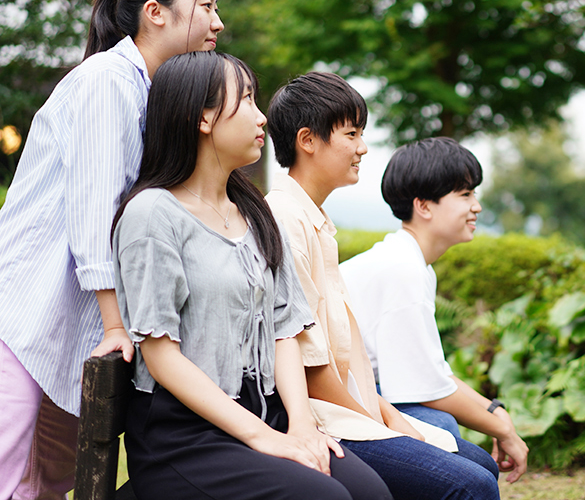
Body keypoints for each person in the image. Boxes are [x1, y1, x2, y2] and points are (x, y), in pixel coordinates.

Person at [111, 52, 392, 500]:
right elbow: (161, 356)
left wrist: (300, 427)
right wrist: (266, 439)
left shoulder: (253, 211)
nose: (261, 117)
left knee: (372, 494)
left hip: (267, 412)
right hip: (186, 437)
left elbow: (284, 329)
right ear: (203, 118)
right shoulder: (152, 214)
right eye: (245, 100)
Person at [0, 0, 224, 499]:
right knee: (9, 472)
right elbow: (98, 209)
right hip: (24, 309)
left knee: (50, 479)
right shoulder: (107, 81)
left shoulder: (151, 92)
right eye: (207, 6)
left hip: (72, 318)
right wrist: (116, 327)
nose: (218, 23)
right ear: (156, 12)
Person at [264, 72, 501, 500]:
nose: (363, 147)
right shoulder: (285, 220)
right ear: (308, 140)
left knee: (479, 465)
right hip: (320, 417)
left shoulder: (316, 222)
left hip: (349, 408)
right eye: (352, 134)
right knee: (474, 483)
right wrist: (380, 424)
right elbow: (310, 368)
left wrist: (386, 417)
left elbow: (348, 355)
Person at [340, 137, 530, 484]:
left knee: (448, 432)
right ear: (424, 206)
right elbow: (426, 388)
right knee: (447, 434)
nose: (477, 207)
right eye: (465, 194)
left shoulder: (411, 264)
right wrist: (503, 427)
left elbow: (430, 374)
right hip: (341, 404)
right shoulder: (403, 269)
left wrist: (494, 412)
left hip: (363, 394)